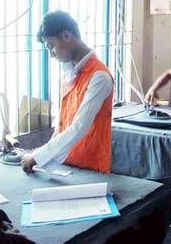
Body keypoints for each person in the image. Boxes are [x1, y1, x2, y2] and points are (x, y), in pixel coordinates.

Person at [21, 11, 114, 174]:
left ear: (66, 36)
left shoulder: (99, 77)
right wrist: (42, 156)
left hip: (90, 167)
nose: (51, 54)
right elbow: (62, 124)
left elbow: (79, 126)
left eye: (51, 46)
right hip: (66, 163)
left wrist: (38, 156)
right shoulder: (70, 73)